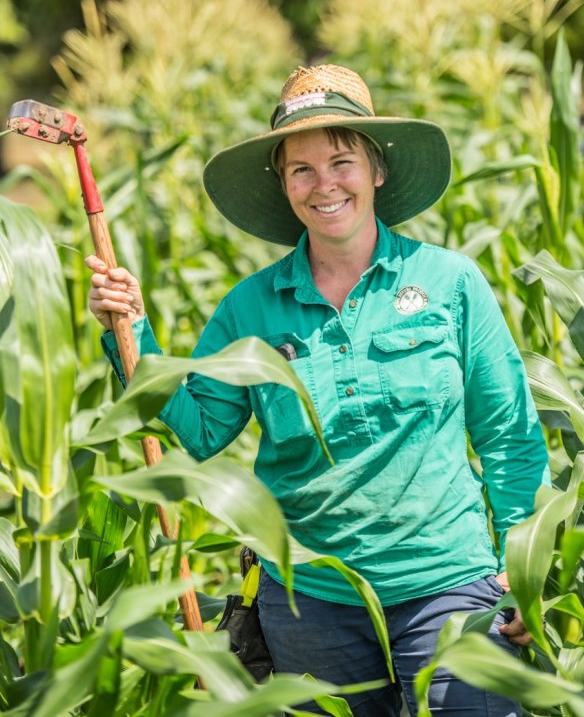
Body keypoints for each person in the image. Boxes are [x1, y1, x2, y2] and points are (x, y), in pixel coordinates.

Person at [86, 64, 549, 716]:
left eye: (340, 161)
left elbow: (509, 435)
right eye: (300, 168)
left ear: (376, 171)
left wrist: (523, 568)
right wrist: (130, 330)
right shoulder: (251, 308)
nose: (324, 184)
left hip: (447, 585)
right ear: (283, 185)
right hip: (311, 603)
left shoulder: (448, 282)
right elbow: (199, 430)